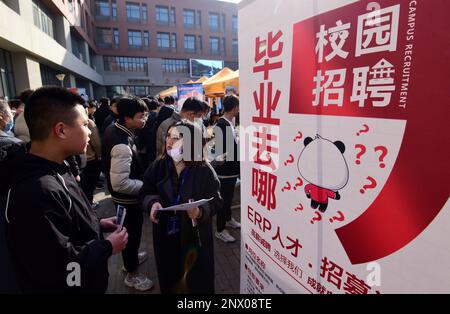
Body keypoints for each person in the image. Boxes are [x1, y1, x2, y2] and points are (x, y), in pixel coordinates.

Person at [0, 87, 128, 293]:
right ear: (61, 130)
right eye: (85, 124)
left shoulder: (57, 166)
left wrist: (96, 222)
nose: (89, 131)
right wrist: (106, 247)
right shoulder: (35, 190)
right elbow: (55, 268)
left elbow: (64, 223)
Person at [139, 121, 222, 294]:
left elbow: (217, 202)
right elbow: (145, 191)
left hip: (194, 237)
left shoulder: (204, 169)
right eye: (168, 136)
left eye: (176, 138)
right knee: (169, 279)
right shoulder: (159, 165)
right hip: (165, 234)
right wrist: (152, 202)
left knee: (197, 283)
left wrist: (200, 211)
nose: (169, 141)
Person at [102, 96, 154, 291]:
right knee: (131, 234)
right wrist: (146, 186)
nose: (145, 119)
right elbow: (120, 183)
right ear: (127, 118)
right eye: (141, 116)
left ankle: (130, 260)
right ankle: (131, 274)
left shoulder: (116, 129)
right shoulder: (121, 143)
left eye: (146, 114)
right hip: (127, 199)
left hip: (124, 199)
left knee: (130, 234)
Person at [214, 94, 241, 243]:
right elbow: (220, 151)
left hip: (230, 170)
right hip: (225, 172)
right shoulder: (222, 125)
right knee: (223, 200)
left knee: (228, 198)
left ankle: (229, 219)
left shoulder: (228, 123)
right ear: (235, 107)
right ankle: (220, 229)